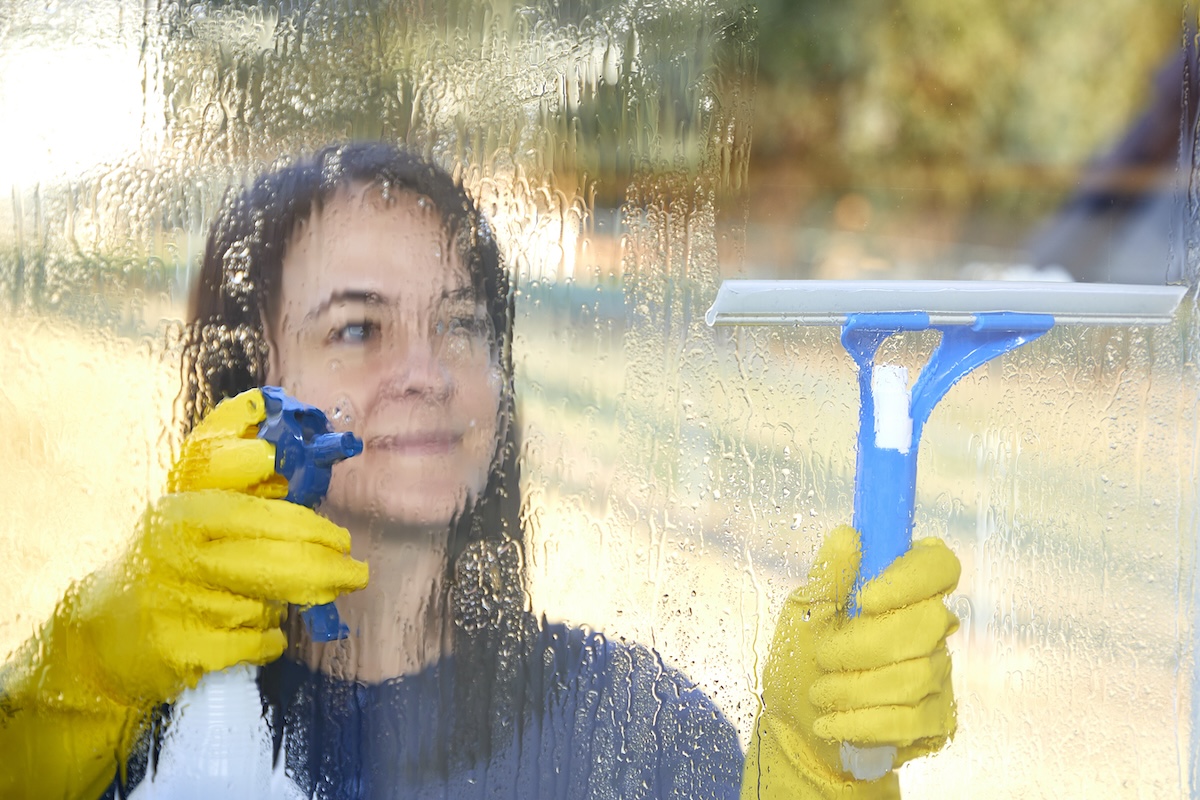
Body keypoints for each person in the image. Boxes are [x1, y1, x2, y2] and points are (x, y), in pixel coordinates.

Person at [0, 141, 961, 799]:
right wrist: (82, 678)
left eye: (460, 322)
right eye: (357, 327)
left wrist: (812, 769)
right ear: (249, 379)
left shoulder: (635, 734)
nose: (425, 372)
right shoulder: (131, 733)